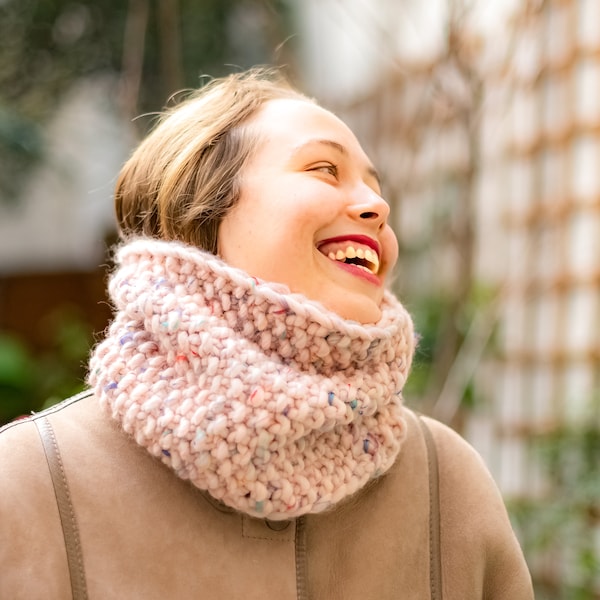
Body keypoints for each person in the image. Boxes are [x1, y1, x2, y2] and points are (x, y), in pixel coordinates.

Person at [0, 67, 533, 599]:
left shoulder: (448, 485)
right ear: (202, 209)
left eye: (375, 187)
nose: (379, 207)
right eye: (325, 168)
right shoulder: (29, 482)